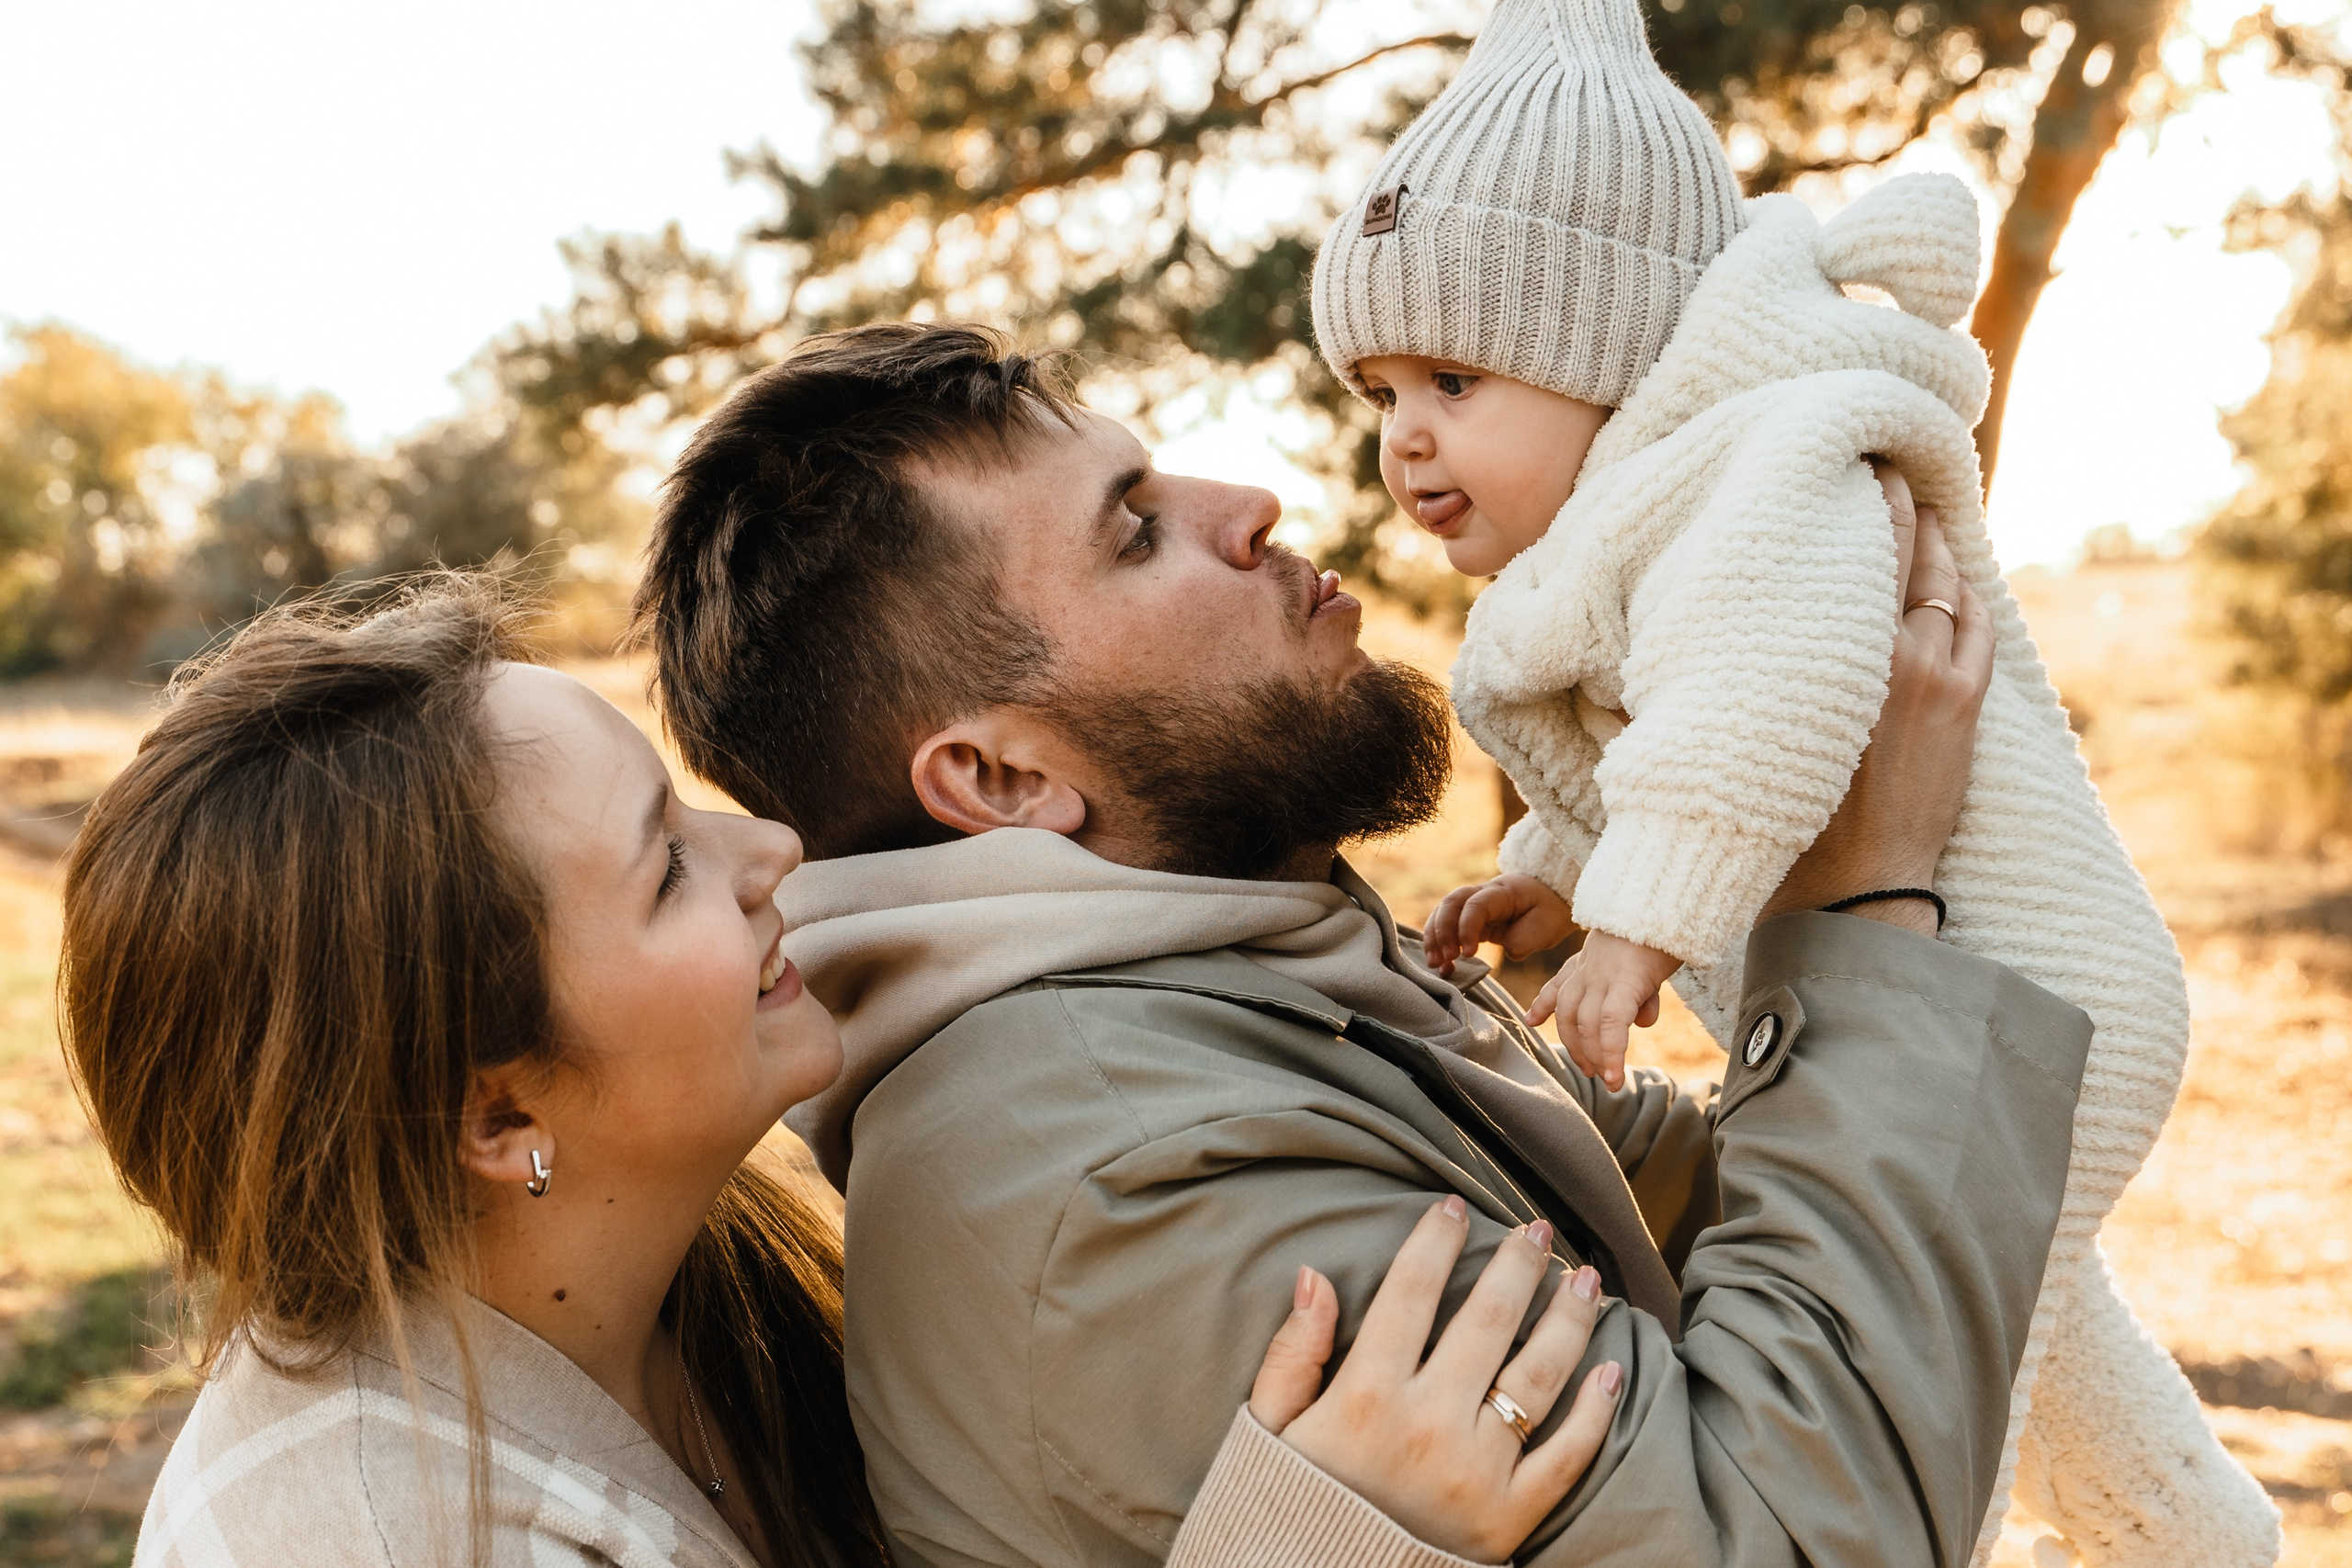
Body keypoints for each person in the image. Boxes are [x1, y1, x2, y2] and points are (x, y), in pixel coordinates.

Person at [633, 320, 2091, 1567]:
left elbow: (1716, 1231)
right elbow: (1795, 1533)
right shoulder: (1128, 1172)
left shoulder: (1239, 980)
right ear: (1002, 781)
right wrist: (1854, 913)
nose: (1250, 503)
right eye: (1135, 530)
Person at [64, 580, 1623, 1568]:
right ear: (495, 1113)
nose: (772, 855)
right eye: (666, 870)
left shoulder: (719, 1298)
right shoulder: (384, 1545)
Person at [1308, 0, 2274, 1557]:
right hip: (1957, 1001)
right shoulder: (1649, 512)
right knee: (2034, 1300)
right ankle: (2194, 1532)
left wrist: (1634, 926)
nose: (1407, 446)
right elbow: (1660, 730)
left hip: (2033, 998)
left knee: (1963, 1350)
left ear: (1606, 351)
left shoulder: (1764, 467)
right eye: (1382, 398)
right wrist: (1560, 867)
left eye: (1454, 384)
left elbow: (1770, 693)